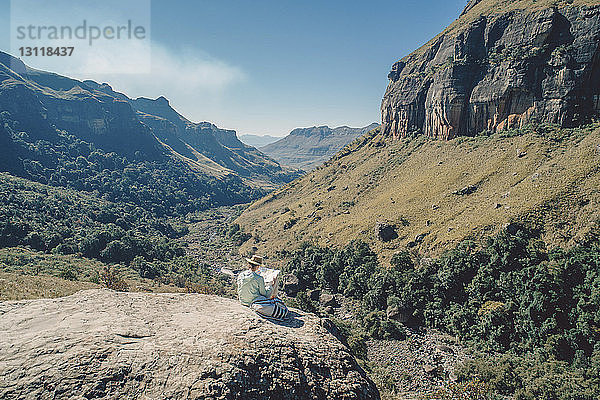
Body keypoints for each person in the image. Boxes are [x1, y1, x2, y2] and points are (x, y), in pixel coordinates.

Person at [237, 255, 289, 321]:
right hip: (252, 302)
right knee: (274, 283)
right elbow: (265, 294)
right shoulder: (259, 278)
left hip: (243, 301)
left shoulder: (241, 275)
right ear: (258, 267)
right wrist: (271, 286)